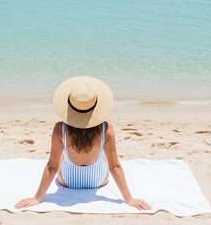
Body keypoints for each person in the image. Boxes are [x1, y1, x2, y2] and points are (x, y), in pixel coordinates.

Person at [15, 76, 151, 210]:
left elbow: (52, 166)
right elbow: (114, 167)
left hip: (68, 182)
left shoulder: (59, 129)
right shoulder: (106, 128)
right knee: (103, 156)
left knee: (63, 156)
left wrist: (37, 198)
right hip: (97, 181)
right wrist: (129, 199)